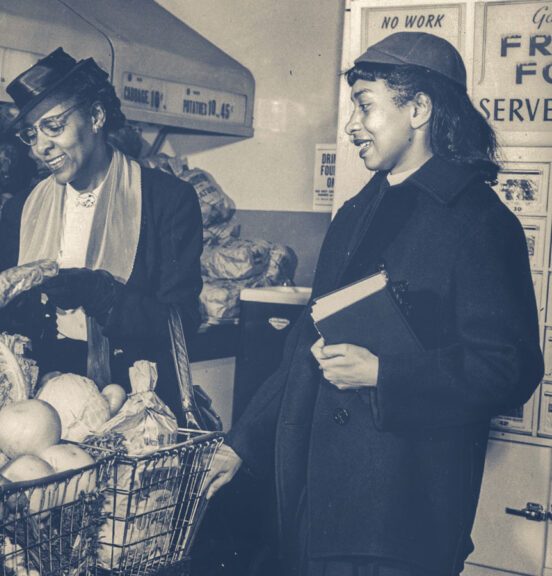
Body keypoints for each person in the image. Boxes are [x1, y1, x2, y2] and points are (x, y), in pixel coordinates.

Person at [204, 32, 543, 576]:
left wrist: (386, 373)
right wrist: (241, 443)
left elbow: (511, 367)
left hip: (403, 517)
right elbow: (304, 347)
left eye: (366, 106)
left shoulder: (479, 221)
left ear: (419, 108)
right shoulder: (356, 214)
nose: (351, 125)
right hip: (322, 505)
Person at [0, 47, 203, 419]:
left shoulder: (167, 200)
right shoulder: (22, 210)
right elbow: (13, 326)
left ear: (95, 115)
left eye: (54, 127)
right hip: (51, 400)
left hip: (139, 399)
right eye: (32, 133)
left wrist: (103, 295)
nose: (42, 146)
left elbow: (182, 325)